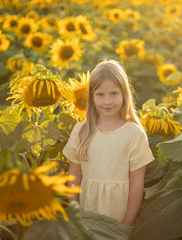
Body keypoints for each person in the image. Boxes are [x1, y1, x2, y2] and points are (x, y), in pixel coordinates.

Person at [63, 59, 154, 227]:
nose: (107, 101)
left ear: (124, 94)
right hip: (86, 214)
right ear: (91, 96)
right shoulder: (81, 131)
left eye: (113, 93)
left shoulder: (134, 134)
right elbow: (74, 177)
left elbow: (136, 183)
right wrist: (74, 215)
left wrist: (127, 223)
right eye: (100, 95)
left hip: (118, 216)